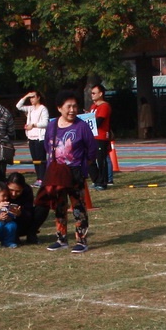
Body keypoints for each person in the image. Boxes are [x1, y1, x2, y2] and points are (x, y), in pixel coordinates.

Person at [42, 90, 98, 253]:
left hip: (75, 173)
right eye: (69, 106)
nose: (72, 110)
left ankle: (81, 240)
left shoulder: (82, 127)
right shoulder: (52, 125)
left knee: (78, 207)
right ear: (59, 108)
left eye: (75, 106)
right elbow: (47, 146)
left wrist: (82, 166)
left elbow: (92, 150)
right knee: (59, 206)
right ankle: (61, 238)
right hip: (57, 173)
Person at [17, 90, 49, 182]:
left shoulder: (43, 109)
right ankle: (39, 178)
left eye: (33, 97)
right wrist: (26, 96)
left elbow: (45, 123)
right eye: (30, 98)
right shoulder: (30, 108)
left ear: (38, 97)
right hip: (31, 138)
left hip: (40, 138)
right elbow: (18, 106)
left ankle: (42, 178)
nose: (31, 99)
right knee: (35, 160)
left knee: (40, 159)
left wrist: (33, 125)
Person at [88, 83, 113, 189]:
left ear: (101, 94)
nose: (92, 95)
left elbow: (99, 121)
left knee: (100, 160)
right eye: (91, 93)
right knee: (90, 160)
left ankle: (103, 182)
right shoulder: (93, 106)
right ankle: (96, 180)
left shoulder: (104, 106)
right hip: (92, 137)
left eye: (94, 93)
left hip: (101, 137)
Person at [5, 172, 40, 243]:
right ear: (6, 185)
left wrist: (21, 213)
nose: (14, 194)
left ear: (23, 188)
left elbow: (29, 211)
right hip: (4, 223)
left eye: (18, 191)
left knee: (41, 208)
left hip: (22, 222)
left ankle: (31, 233)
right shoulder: (0, 189)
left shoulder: (27, 190)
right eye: (11, 190)